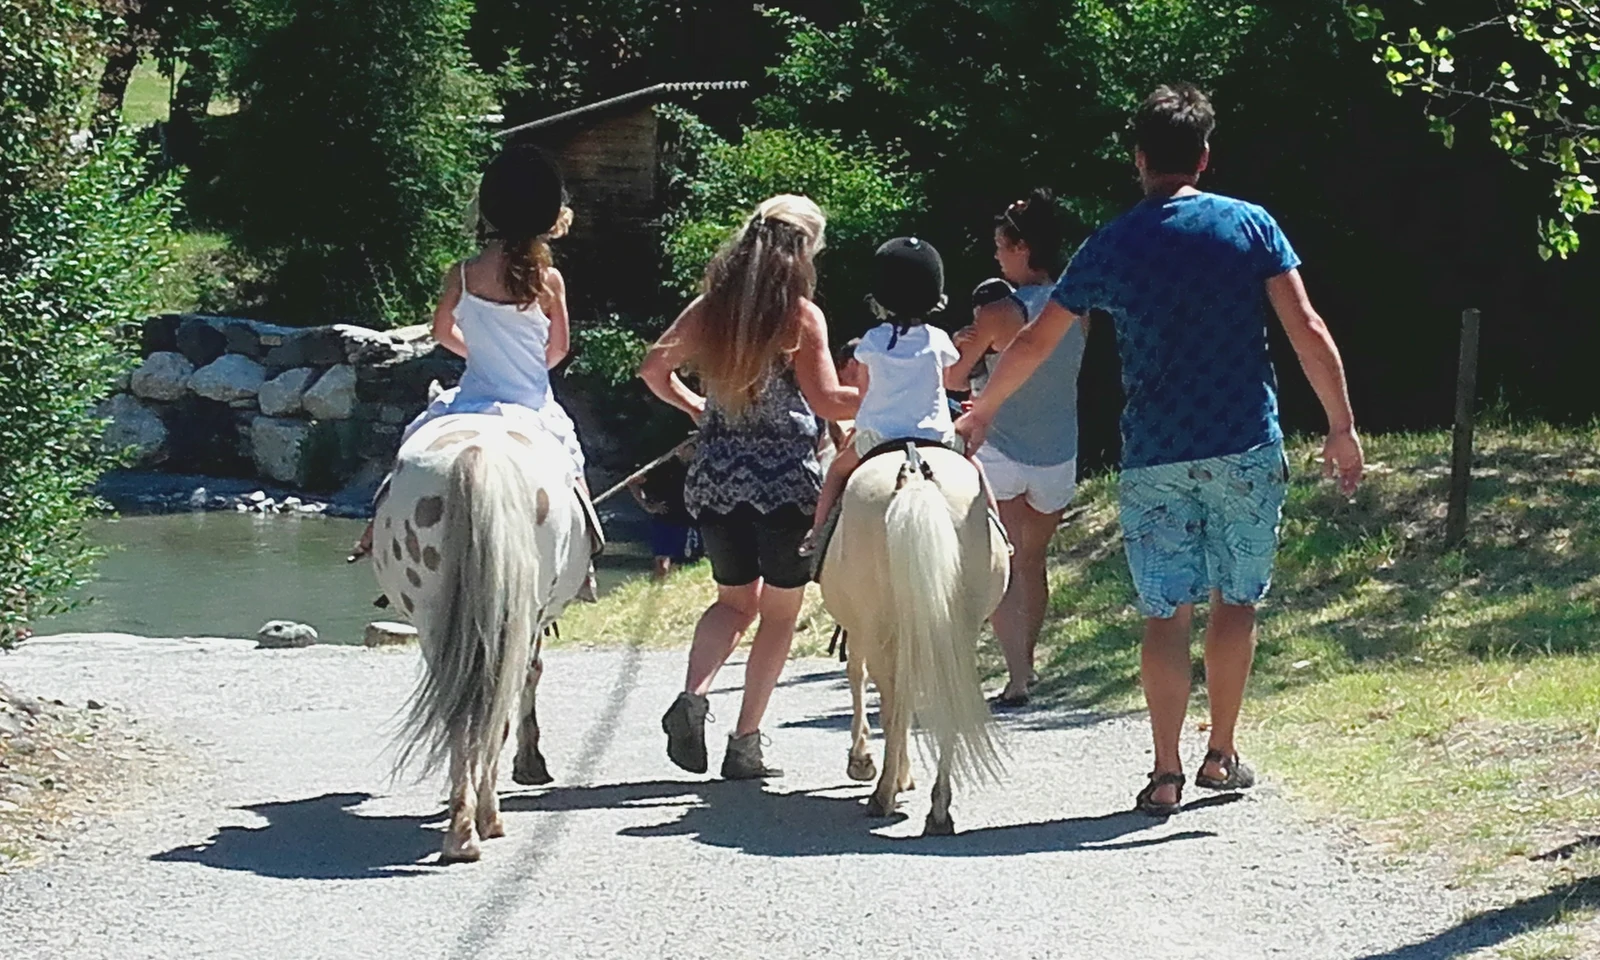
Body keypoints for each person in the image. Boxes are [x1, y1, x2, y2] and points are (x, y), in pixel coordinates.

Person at [955, 84, 1364, 816]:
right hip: (1243, 442)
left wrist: (982, 408)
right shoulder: (1250, 226)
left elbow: (1036, 340)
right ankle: (1223, 753)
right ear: (1204, 156)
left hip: (1153, 456)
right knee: (1235, 601)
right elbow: (1304, 325)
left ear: (1138, 158)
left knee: (1163, 614)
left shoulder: (1111, 244)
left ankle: (1166, 771)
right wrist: (1340, 424)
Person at [639, 194, 860, 780]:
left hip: (714, 480)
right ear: (804, 249)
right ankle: (745, 742)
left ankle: (693, 696)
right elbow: (827, 401)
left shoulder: (712, 308)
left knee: (732, 602)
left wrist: (697, 409)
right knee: (779, 614)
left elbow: (652, 368)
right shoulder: (800, 316)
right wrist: (896, 398)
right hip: (786, 484)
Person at [349, 145, 597, 599]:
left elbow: (441, 331)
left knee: (410, 449)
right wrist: (528, 369)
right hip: (531, 403)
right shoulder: (550, 280)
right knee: (572, 469)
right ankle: (585, 560)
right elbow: (559, 348)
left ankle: (376, 531)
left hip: (471, 395)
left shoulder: (463, 274)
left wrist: (477, 356)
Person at [945, 189, 1086, 708]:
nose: (997, 257)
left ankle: (1019, 677)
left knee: (1001, 560)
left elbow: (957, 378)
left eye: (1002, 247)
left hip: (1003, 447)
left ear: (1022, 247)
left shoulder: (1001, 309)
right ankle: (1024, 664)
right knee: (1033, 561)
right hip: (1060, 451)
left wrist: (965, 349)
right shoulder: (1078, 304)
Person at [802, 237, 989, 555]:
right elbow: (944, 383)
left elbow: (864, 390)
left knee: (836, 471)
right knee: (975, 467)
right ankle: (995, 531)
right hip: (936, 437)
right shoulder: (940, 339)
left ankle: (817, 533)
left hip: (879, 438)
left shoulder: (872, 341)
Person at [627, 442, 701, 581]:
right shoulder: (663, 466)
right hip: (665, 517)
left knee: (682, 563)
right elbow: (632, 481)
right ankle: (656, 589)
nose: (693, 451)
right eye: (689, 447)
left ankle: (670, 592)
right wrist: (646, 505)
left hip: (689, 520)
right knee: (662, 563)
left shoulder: (699, 467)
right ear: (680, 450)